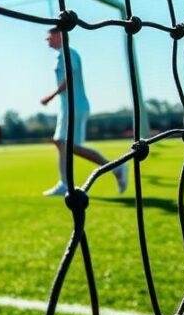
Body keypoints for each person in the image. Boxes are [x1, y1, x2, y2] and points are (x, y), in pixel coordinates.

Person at [40, 28, 127, 196]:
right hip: (67, 107)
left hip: (75, 106)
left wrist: (50, 96)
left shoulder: (68, 53)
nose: (47, 39)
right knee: (60, 143)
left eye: (49, 35)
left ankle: (116, 167)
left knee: (71, 146)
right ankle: (65, 183)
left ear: (59, 35)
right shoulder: (62, 55)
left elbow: (70, 78)